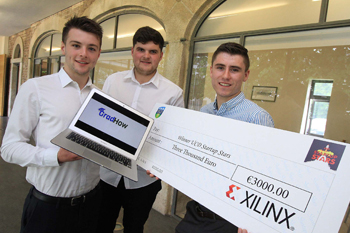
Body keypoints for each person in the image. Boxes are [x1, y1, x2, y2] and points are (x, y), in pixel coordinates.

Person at [1, 16, 103, 233]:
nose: (83, 53)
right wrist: (56, 156)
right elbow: (9, 148)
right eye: (76, 45)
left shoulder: (101, 98)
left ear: (98, 54)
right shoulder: (35, 88)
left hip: (92, 205)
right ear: (63, 47)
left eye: (91, 48)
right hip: (48, 209)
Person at [175, 42, 274, 233]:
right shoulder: (204, 111)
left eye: (234, 69)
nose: (226, 75)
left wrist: (251, 222)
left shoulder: (257, 118)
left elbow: (264, 176)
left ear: (246, 75)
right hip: (196, 211)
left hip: (230, 222)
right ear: (211, 71)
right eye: (220, 67)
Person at [96, 26, 184, 233]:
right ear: (133, 51)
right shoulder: (113, 81)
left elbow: (172, 138)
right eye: (141, 49)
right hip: (107, 173)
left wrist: (164, 165)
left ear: (161, 55)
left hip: (143, 179)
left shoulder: (173, 93)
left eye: (153, 51)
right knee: (100, 225)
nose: (146, 56)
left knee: (134, 228)